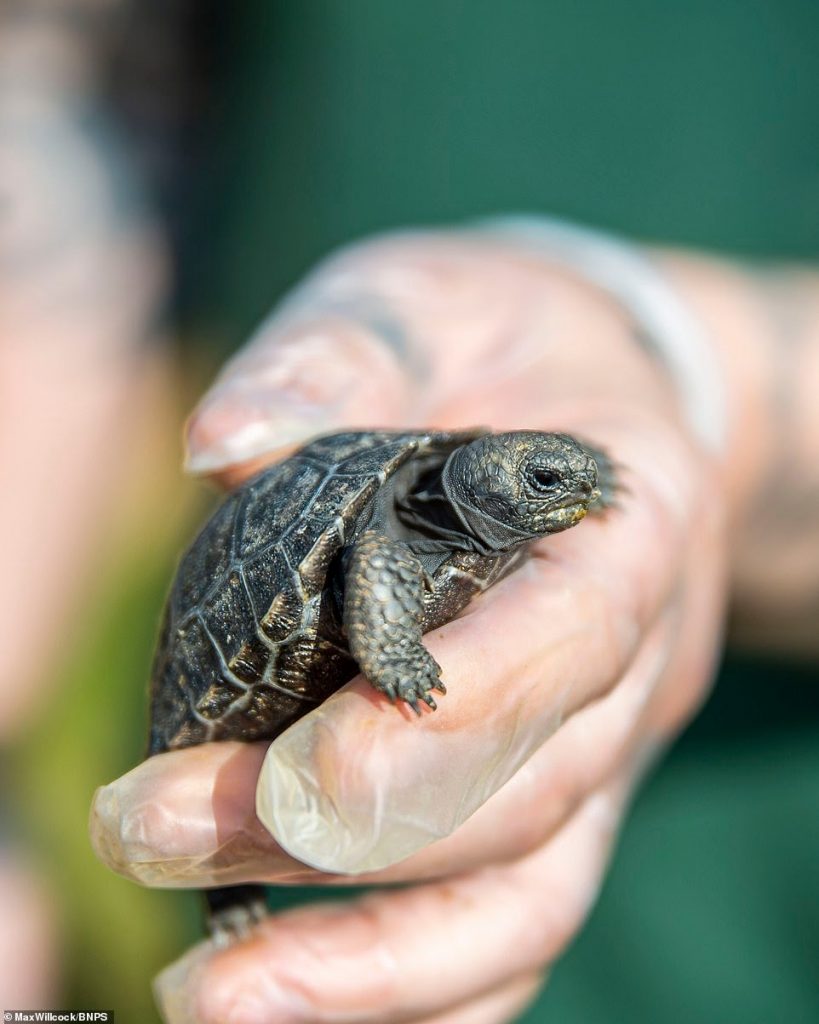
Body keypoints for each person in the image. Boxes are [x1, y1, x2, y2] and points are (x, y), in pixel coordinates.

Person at [91, 221, 819, 1024]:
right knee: (222, 841)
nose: (571, 493)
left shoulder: (488, 495)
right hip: (237, 654)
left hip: (728, 930)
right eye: (544, 480)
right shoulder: (402, 516)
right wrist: (393, 654)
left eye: (574, 480)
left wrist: (699, 394)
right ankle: (228, 908)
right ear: (481, 486)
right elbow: (372, 558)